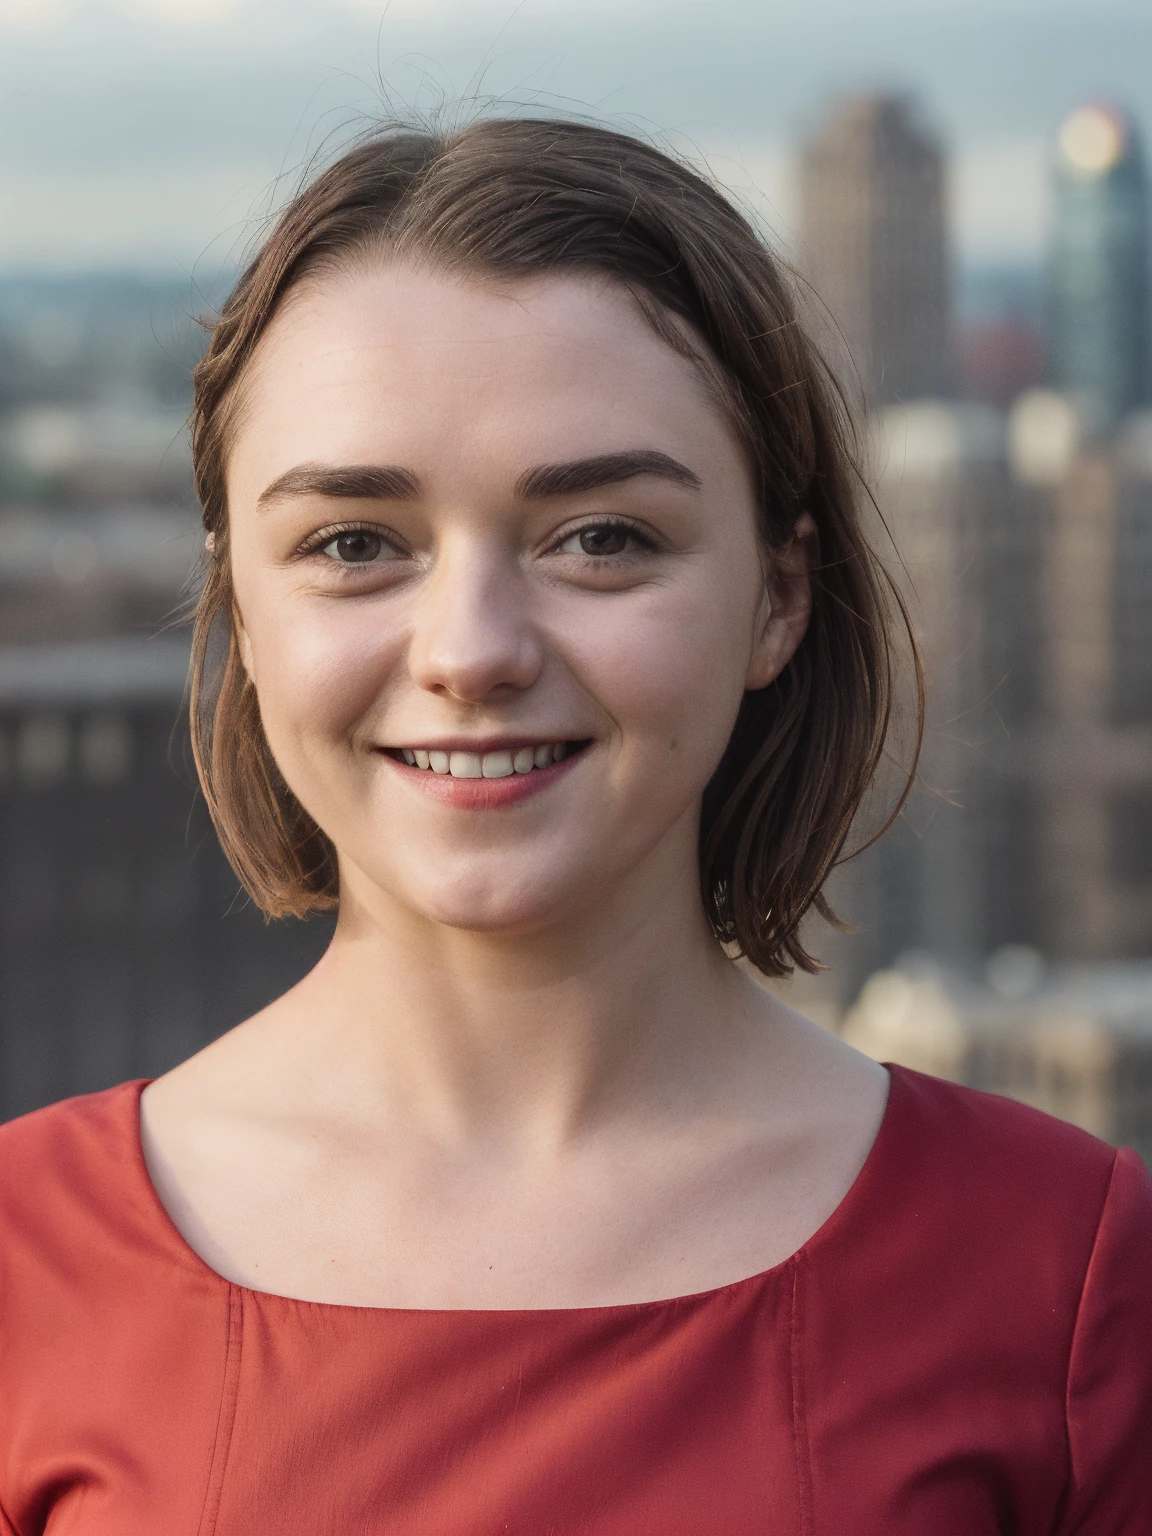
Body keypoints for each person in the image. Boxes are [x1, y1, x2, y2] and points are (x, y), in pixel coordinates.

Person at [1, 118, 1150, 1535]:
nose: (471, 650)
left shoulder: (1062, 1272)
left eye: (601, 536)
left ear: (780, 598)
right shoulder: (23, 1264)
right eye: (356, 543)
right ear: (240, 608)